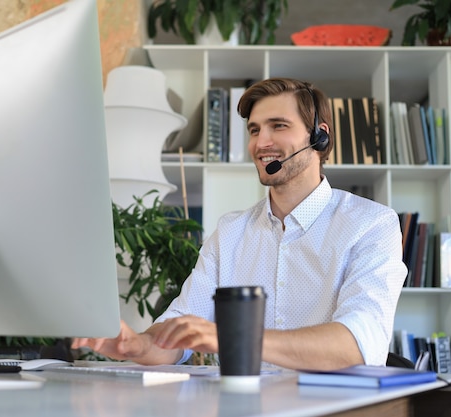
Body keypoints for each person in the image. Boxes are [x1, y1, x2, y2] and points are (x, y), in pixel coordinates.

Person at [73, 77, 407, 370]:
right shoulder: (231, 232)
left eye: (278, 125)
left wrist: (233, 337)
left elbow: (356, 346)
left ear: (319, 137)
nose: (261, 143)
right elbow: (182, 326)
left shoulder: (372, 225)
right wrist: (138, 345)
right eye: (254, 129)